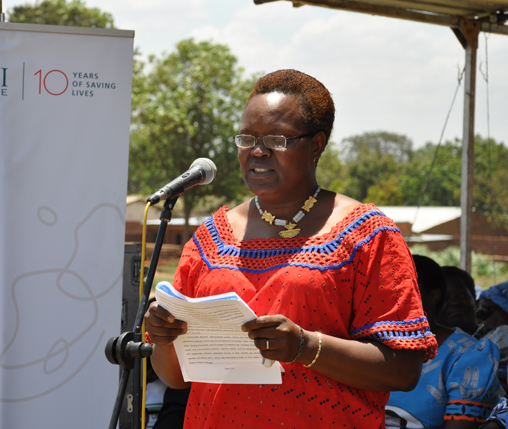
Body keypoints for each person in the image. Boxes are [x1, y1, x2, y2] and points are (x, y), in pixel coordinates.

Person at [145, 69, 437, 428]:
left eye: (277, 140)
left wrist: (304, 346)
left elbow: (404, 370)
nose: (258, 151)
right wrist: (163, 339)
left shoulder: (368, 235)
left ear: (316, 145)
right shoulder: (209, 239)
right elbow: (175, 377)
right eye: (246, 138)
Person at [386, 256, 502, 428]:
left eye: (402, 290)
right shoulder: (370, 346)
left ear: (433, 297)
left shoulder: (468, 356)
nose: (391, 297)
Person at [437, 266, 481, 336]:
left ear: (474, 299)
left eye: (462, 295)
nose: (455, 302)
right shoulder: (421, 344)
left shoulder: (498, 339)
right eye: (445, 298)